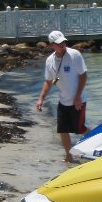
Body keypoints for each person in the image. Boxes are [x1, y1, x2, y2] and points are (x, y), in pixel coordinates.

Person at [36, 30, 89, 162]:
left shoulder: (74, 55)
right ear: (51, 45)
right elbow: (48, 81)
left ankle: (99, 143)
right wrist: (41, 99)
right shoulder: (50, 61)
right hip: (63, 100)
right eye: (59, 43)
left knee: (80, 128)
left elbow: (83, 75)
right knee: (62, 130)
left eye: (64, 42)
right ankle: (68, 155)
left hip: (78, 100)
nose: (62, 45)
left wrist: (77, 97)